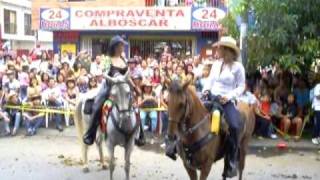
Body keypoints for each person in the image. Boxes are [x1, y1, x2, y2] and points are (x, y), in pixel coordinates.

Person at [202, 36, 245, 178]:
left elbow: (241, 86)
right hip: (212, 98)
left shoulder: (238, 67)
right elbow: (209, 80)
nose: (217, 49)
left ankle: (232, 160)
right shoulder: (216, 64)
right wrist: (206, 90)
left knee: (233, 126)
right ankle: (177, 146)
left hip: (227, 101)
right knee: (192, 114)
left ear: (227, 50)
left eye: (220, 47)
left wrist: (230, 95)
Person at [83, 35, 129, 145]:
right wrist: (113, 79)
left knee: (134, 106)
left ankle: (138, 134)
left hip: (123, 88)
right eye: (122, 45)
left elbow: (128, 75)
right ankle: (90, 134)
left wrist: (135, 89)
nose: (123, 47)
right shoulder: (107, 59)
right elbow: (103, 73)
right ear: (116, 46)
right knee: (97, 106)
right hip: (109, 87)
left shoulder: (124, 59)